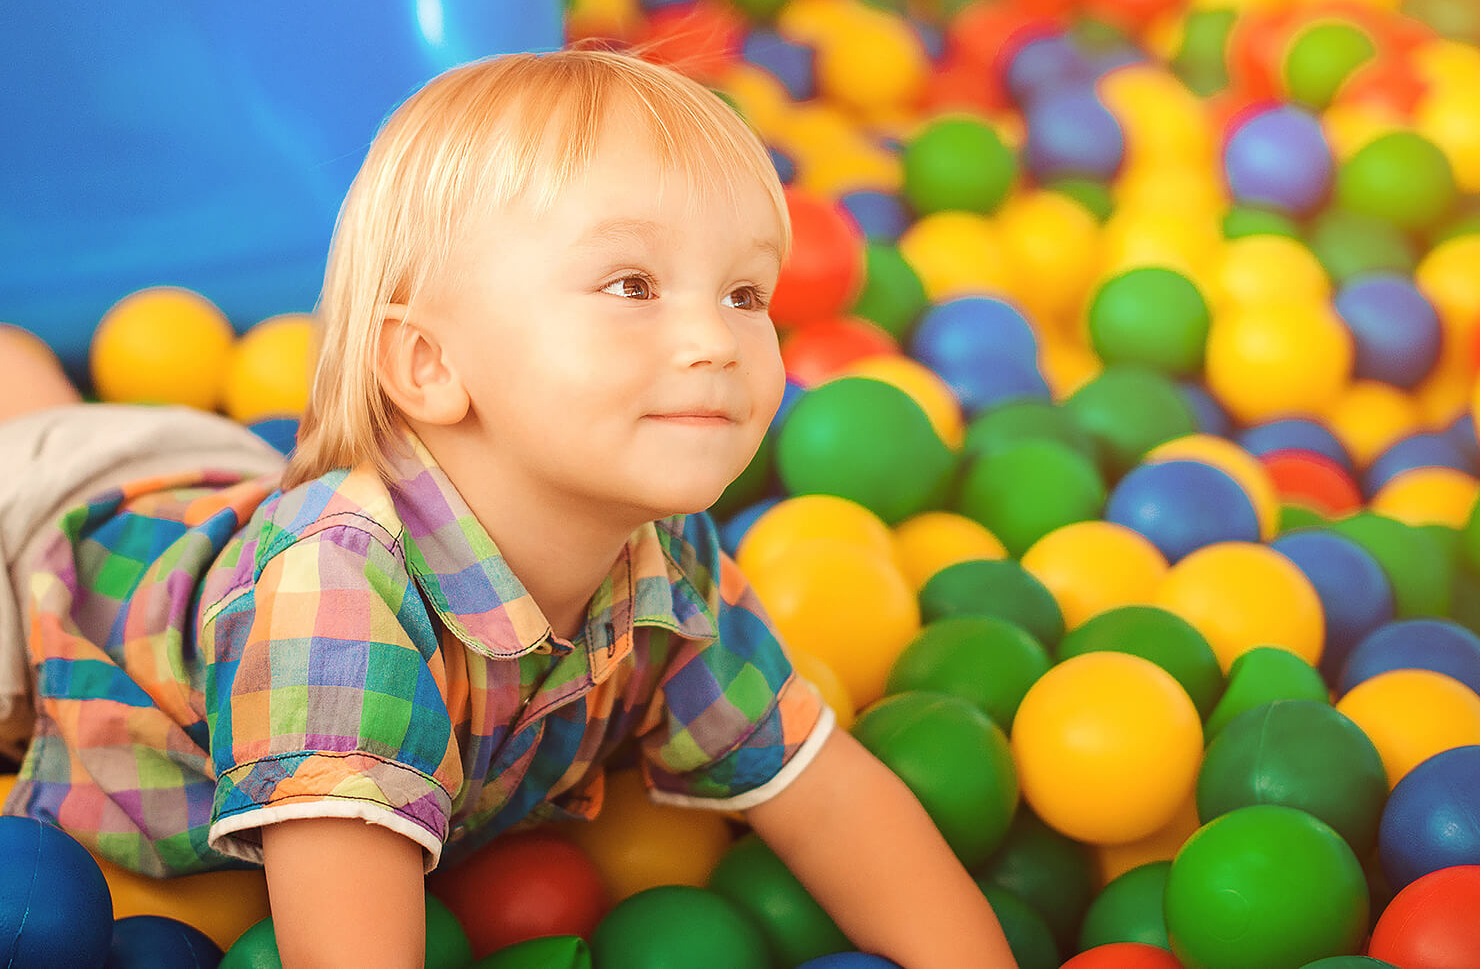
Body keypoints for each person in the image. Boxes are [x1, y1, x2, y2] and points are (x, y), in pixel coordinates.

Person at [0, 49, 1017, 969]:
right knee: (39, 438)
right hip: (47, 576)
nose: (715, 339)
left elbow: (829, 798)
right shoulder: (340, 599)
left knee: (58, 408)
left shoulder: (666, 550)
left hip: (201, 478)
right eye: (632, 284)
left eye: (746, 293)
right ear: (429, 365)